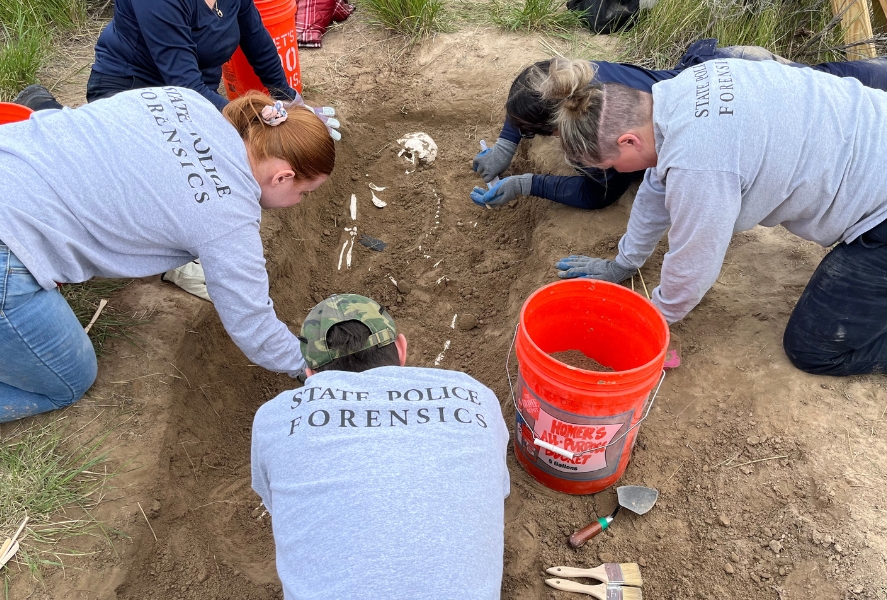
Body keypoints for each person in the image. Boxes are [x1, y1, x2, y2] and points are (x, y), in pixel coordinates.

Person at [544, 56, 887, 376]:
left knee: (813, 350)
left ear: (628, 142)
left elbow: (695, 261)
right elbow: (657, 185)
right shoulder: (681, 91)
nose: (616, 172)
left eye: (611, 165)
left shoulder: (699, 164)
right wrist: (624, 263)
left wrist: (653, 321)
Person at [0, 89, 334, 423]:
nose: (300, 202)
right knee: (68, 381)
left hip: (11, 154)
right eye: (303, 194)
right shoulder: (228, 216)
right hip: (8, 246)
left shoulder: (186, 100)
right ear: (283, 177)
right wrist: (310, 367)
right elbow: (254, 326)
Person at [251, 293, 509, 599]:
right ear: (401, 349)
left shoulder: (275, 417)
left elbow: (276, 503)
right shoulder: (477, 397)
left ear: (310, 374)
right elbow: (498, 490)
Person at [470, 39, 887, 209]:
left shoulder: (601, 126)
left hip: (742, 89)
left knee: (844, 96)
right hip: (730, 67)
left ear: (557, 126)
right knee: (844, 81)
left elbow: (595, 195)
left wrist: (528, 184)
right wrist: (508, 141)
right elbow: (530, 91)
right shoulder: (576, 80)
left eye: (528, 130)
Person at [15, 0, 298, 113]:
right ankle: (45, 109)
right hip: (131, 85)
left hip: (196, 91)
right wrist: (253, 117)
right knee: (127, 175)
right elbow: (184, 84)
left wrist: (288, 98)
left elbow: (257, 40)